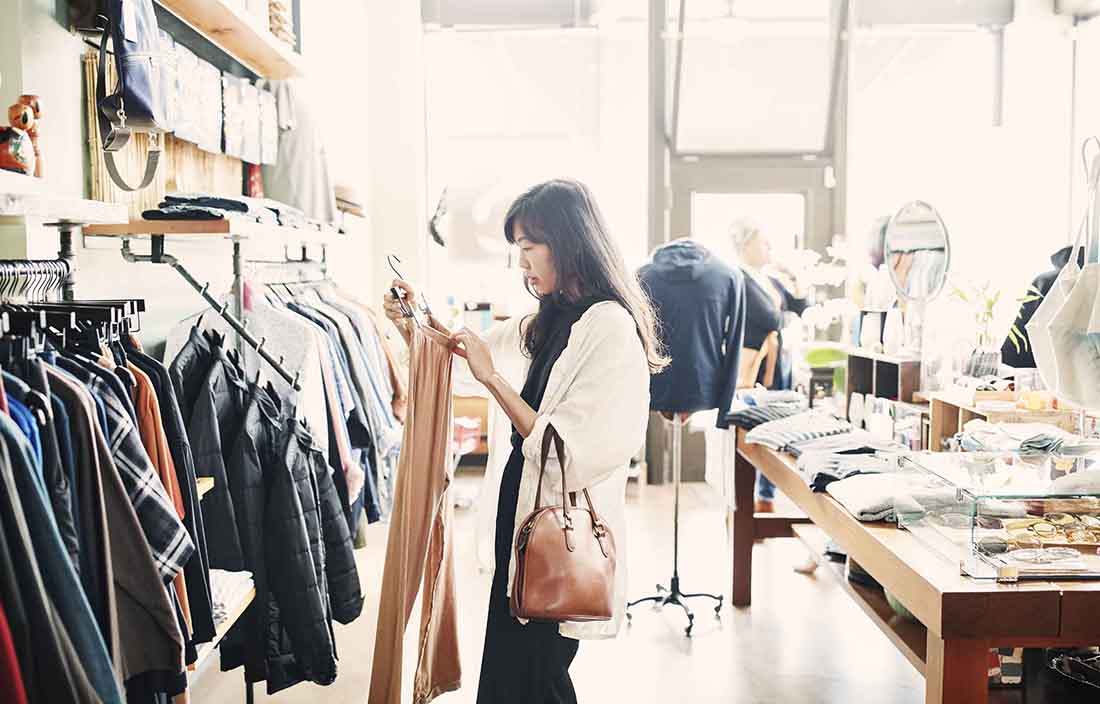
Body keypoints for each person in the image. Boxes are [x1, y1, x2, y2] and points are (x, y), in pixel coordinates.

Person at [383, 179, 666, 704]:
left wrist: (495, 380)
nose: (522, 263)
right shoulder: (551, 318)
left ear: (568, 241)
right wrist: (410, 323)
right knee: (516, 672)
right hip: (523, 525)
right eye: (518, 250)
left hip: (557, 535)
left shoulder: (610, 327)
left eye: (529, 248)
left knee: (539, 677)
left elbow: (575, 451)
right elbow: (458, 360)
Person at [730, 217, 812, 513]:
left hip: (780, 362)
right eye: (763, 242)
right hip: (755, 364)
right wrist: (783, 318)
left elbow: (802, 307)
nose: (769, 248)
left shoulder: (772, 279)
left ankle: (766, 498)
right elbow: (768, 318)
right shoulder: (737, 277)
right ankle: (744, 504)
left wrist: (795, 274)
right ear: (745, 244)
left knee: (777, 427)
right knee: (754, 429)